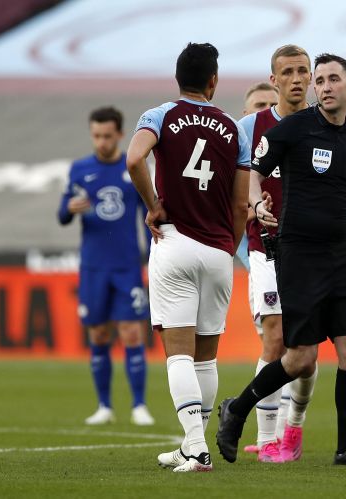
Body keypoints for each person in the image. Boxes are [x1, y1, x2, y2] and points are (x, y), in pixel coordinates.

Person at [216, 53, 346, 466]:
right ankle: (237, 409)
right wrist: (257, 205)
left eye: (333, 79)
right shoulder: (294, 128)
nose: (325, 86)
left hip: (340, 254)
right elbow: (255, 173)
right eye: (321, 80)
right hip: (298, 253)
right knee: (300, 358)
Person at [126, 42, 250, 472]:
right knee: (206, 357)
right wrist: (228, 247)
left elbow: (134, 157)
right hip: (219, 251)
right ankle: (190, 445)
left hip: (174, 243)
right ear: (213, 81)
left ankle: (196, 448)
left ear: (178, 78)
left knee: (178, 354)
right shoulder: (234, 129)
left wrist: (153, 202)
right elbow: (240, 205)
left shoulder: (159, 115)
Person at [237, 45, 317, 464]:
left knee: (306, 353)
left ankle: (294, 428)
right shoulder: (249, 128)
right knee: (275, 336)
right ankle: (267, 438)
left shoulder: (327, 126)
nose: (296, 78)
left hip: (314, 254)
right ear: (275, 78)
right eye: (288, 72)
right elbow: (229, 186)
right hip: (265, 249)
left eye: (303, 70)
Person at [57, 106, 155, 427]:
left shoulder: (133, 168)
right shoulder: (79, 169)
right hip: (93, 267)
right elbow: (62, 215)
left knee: (130, 333)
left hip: (126, 265)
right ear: (92, 134)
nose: (101, 141)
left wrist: (152, 260)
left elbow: (147, 219)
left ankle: (139, 405)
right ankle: (104, 406)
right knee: (98, 335)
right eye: (96, 135)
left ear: (119, 135)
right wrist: (70, 209)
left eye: (107, 136)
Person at [234, 82, 279, 271]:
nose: (268, 111)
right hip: (252, 252)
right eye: (260, 106)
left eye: (274, 105)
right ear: (245, 115)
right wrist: (252, 211)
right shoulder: (234, 158)